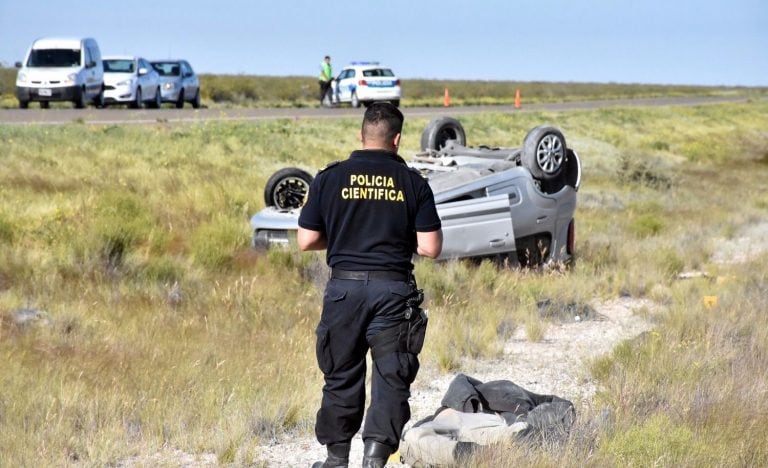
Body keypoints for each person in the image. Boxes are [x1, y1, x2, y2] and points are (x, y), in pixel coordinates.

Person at [298, 102, 443, 468]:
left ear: (361, 135)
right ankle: (375, 460)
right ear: (397, 139)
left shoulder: (329, 178)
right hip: (393, 293)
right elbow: (430, 247)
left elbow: (306, 239)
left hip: (344, 291)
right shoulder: (413, 183)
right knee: (391, 376)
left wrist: (349, 239)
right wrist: (392, 239)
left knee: (341, 374)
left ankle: (335, 460)